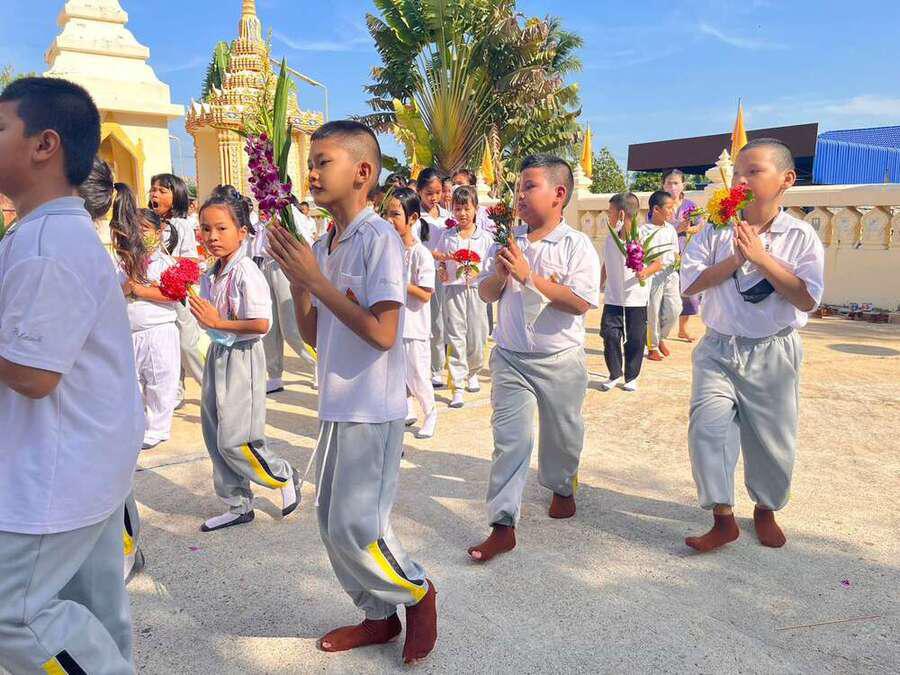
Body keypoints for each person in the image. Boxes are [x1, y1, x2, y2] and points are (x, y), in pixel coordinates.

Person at [267, 120, 437, 665]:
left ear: (363, 172)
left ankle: (417, 590)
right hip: (336, 404)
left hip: (373, 408)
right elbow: (314, 335)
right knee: (329, 521)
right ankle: (377, 616)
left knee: (357, 524)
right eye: (310, 164)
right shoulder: (323, 244)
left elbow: (384, 333)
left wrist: (316, 281)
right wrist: (301, 285)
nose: (311, 173)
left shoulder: (379, 239)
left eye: (323, 162)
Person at [0, 76, 143, 674]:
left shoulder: (47, 245)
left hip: (53, 472)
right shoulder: (47, 233)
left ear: (44, 144)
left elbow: (34, 375)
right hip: (82, 459)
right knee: (90, 608)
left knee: (12, 615)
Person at [680, 138, 824, 552]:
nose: (741, 180)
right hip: (718, 348)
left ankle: (766, 507)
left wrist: (762, 259)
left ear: (787, 179)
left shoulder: (800, 236)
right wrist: (736, 259)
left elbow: (806, 299)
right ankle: (722, 516)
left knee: (772, 439)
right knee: (707, 428)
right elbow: (690, 283)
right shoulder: (714, 229)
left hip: (773, 351)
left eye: (754, 171)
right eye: (738, 173)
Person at [469, 155, 600, 562]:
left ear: (559, 194)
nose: (520, 195)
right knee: (510, 440)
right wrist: (500, 275)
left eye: (529, 186)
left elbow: (580, 302)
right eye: (518, 187)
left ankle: (562, 484)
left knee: (562, 436)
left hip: (560, 360)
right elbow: (486, 293)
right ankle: (502, 524)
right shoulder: (507, 242)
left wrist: (529, 276)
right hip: (511, 358)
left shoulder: (576, 245)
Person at [188, 188, 300, 532]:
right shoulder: (212, 272)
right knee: (214, 433)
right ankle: (237, 504)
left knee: (236, 437)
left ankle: (282, 474)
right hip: (218, 353)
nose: (212, 236)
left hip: (243, 356)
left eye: (221, 228)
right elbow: (211, 318)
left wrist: (217, 322)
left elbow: (261, 324)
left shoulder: (246, 271)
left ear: (242, 232)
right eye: (206, 229)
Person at [79, 160, 148, 584]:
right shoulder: (68, 242)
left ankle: (125, 552)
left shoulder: (78, 249)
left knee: (108, 489)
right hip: (91, 394)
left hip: (96, 396)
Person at [114, 197, 181, 451]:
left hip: (158, 330)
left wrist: (140, 290)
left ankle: (158, 428)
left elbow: (174, 294)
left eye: (145, 229)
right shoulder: (124, 263)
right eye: (135, 229)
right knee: (133, 381)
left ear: (158, 232)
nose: (140, 235)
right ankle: (139, 423)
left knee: (160, 380)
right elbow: (115, 291)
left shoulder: (166, 263)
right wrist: (127, 288)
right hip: (131, 332)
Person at [385, 188, 438, 438]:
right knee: (397, 374)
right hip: (393, 324)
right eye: (387, 214)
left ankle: (431, 413)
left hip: (414, 327)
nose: (390, 220)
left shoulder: (421, 254)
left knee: (418, 375)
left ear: (413, 218)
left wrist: (400, 283)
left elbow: (426, 294)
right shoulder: (389, 249)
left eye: (396, 215)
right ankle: (406, 409)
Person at [434, 185, 492, 407]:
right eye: (458, 209)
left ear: (476, 209)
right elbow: (440, 258)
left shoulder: (485, 238)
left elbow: (491, 265)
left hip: (477, 291)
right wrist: (442, 268)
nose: (462, 213)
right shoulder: (447, 236)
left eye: (467, 208)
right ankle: (457, 385)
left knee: (477, 335)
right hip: (453, 291)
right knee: (455, 335)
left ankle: (473, 371)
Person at [598, 192, 662, 392]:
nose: (608, 215)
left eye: (610, 211)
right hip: (613, 297)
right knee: (609, 334)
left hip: (636, 298)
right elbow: (606, 263)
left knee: (635, 338)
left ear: (621, 214)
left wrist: (644, 273)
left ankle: (631, 376)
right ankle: (614, 373)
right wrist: (599, 284)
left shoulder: (643, 237)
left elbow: (657, 263)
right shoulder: (611, 238)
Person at [150, 173, 205, 398]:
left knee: (186, 344)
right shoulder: (149, 224)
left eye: (162, 191)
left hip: (178, 293)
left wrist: (165, 265)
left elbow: (190, 261)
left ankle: (209, 385)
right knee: (169, 345)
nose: (155, 195)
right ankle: (176, 391)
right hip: (157, 294)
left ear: (177, 196)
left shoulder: (181, 226)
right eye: (153, 190)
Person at [416, 168, 452, 386]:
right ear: (419, 191)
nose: (434, 197)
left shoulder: (448, 217)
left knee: (443, 320)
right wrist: (432, 256)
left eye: (438, 192)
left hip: (445, 274)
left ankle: (439, 366)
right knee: (426, 322)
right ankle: (427, 366)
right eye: (429, 193)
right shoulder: (415, 217)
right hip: (423, 275)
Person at [662, 169, 703, 341]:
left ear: (683, 185)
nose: (672, 186)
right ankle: (660, 331)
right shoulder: (659, 204)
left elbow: (700, 224)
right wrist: (677, 228)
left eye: (676, 183)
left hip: (687, 253)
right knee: (665, 293)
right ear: (663, 185)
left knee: (688, 291)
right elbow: (652, 224)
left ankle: (683, 328)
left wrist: (689, 229)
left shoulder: (690, 205)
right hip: (665, 254)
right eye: (669, 183)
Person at [645, 190, 682, 361]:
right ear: (656, 209)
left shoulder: (671, 229)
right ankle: (652, 346)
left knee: (675, 309)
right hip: (653, 276)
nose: (672, 211)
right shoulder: (643, 231)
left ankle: (661, 337)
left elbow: (675, 252)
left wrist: (678, 261)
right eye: (668, 207)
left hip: (671, 274)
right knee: (652, 311)